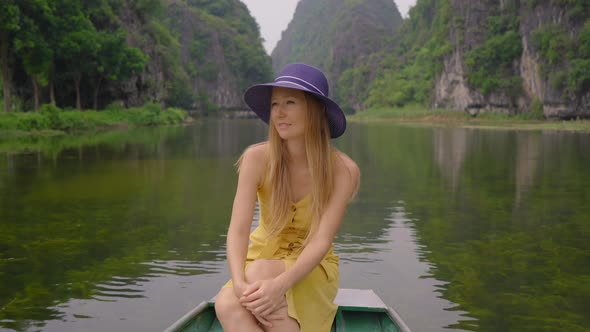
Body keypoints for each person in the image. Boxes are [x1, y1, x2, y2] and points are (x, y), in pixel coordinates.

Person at [214, 63, 360, 332]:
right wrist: (238, 282)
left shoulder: (342, 171)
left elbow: (321, 240)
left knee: (244, 296)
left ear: (315, 110)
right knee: (227, 304)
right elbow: (238, 231)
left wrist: (278, 286)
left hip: (310, 265)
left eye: (290, 102)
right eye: (274, 104)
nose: (279, 113)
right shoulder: (256, 159)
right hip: (261, 256)